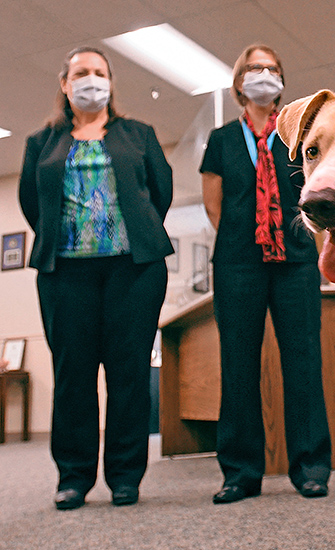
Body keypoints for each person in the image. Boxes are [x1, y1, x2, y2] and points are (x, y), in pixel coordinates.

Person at [18, 46, 173, 510]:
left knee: (128, 375)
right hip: (65, 274)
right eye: (80, 73)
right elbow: (33, 204)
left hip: (133, 271)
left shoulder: (137, 134)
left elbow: (158, 195)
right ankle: (74, 478)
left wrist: (132, 236)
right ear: (65, 84)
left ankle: (125, 477)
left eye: (99, 72)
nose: (91, 80)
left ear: (111, 82)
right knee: (73, 377)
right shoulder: (39, 143)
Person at [200, 44, 332, 504]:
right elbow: (215, 205)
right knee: (237, 366)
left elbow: (317, 187)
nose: (264, 74)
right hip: (238, 264)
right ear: (240, 80)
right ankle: (240, 473)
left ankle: (311, 468)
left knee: (303, 362)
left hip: (295, 261)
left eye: (272, 68)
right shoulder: (220, 140)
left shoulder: (301, 134)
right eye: (255, 68)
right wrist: (251, 237)